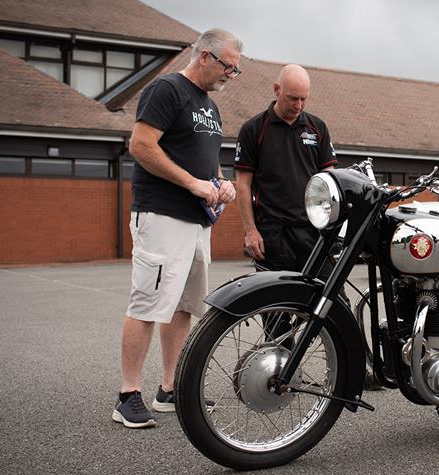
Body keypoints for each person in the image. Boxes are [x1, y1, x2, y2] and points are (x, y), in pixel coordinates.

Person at [112, 28, 242, 429]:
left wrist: (222, 184)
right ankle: (127, 396)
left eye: (235, 71)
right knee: (148, 304)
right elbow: (141, 145)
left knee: (184, 306)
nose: (229, 76)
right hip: (162, 214)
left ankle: (170, 389)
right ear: (204, 56)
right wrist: (191, 183)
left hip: (198, 221)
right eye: (228, 67)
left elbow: (206, 159)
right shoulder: (166, 89)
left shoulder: (210, 106)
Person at [234, 64, 337, 272]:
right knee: (276, 301)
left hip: (313, 232)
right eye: (292, 98)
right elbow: (243, 185)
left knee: (330, 300)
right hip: (273, 234)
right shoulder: (253, 130)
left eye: (304, 98)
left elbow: (329, 180)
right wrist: (250, 231)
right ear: (276, 89)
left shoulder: (317, 128)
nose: (298, 105)